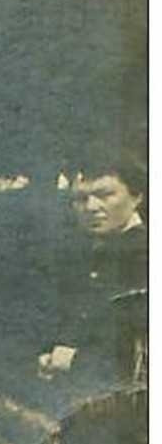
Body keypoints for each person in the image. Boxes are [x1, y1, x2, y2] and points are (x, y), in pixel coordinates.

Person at [37, 156, 147, 400]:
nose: (91, 207)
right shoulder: (77, 253)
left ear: (136, 196)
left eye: (105, 195)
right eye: (80, 199)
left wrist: (71, 360)